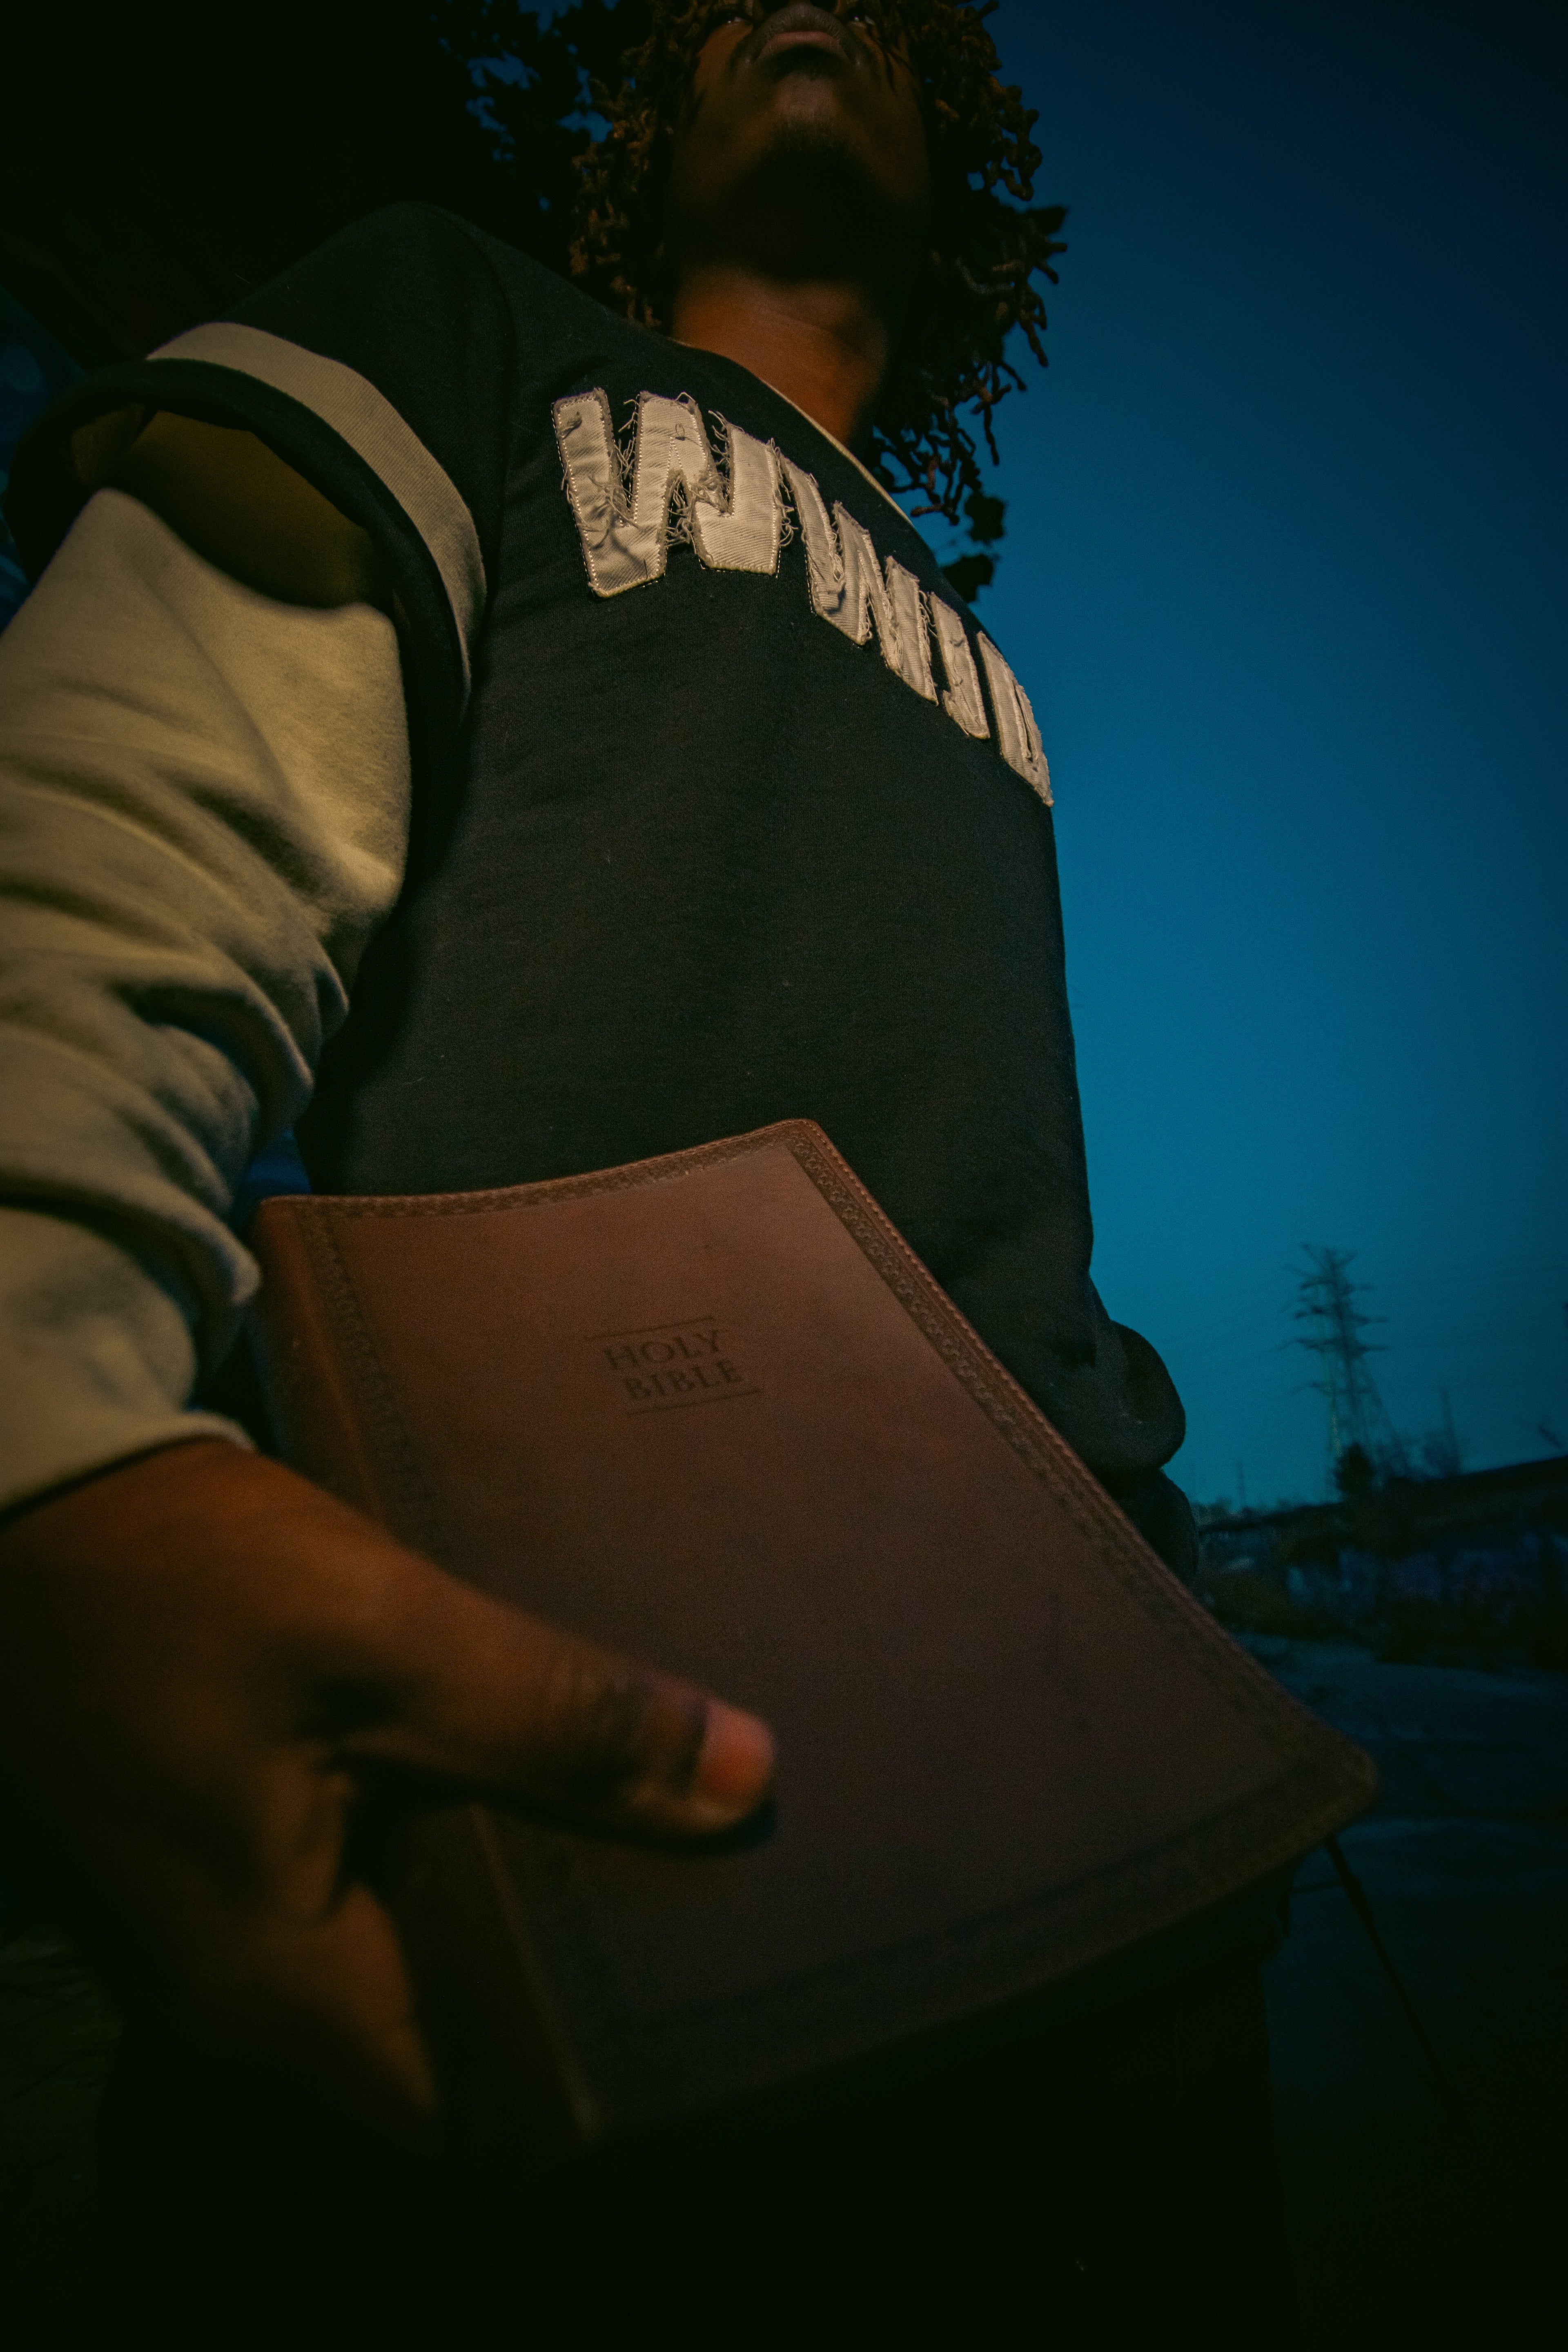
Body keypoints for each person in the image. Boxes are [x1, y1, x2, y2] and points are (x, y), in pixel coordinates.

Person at [0, 2, 1293, 2341]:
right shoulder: (466, 322)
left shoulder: (992, 683)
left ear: (966, 186)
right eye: (717, 4)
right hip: (566, 1797)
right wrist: (49, 1441)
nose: (802, 3)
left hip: (1104, 1856)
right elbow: (124, 828)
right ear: (633, 134)